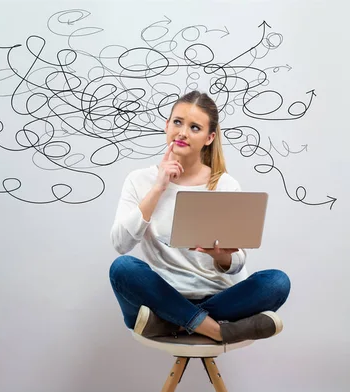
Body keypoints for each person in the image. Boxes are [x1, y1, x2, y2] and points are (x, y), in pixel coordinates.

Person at [108, 91, 291, 347]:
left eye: (195, 127)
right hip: (162, 295)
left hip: (217, 298)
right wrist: (158, 188)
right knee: (123, 268)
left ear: (209, 137)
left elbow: (237, 263)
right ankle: (217, 331)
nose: (183, 132)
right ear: (167, 125)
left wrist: (221, 256)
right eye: (177, 122)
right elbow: (120, 244)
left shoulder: (225, 184)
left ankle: (175, 323)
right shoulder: (139, 180)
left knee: (277, 282)